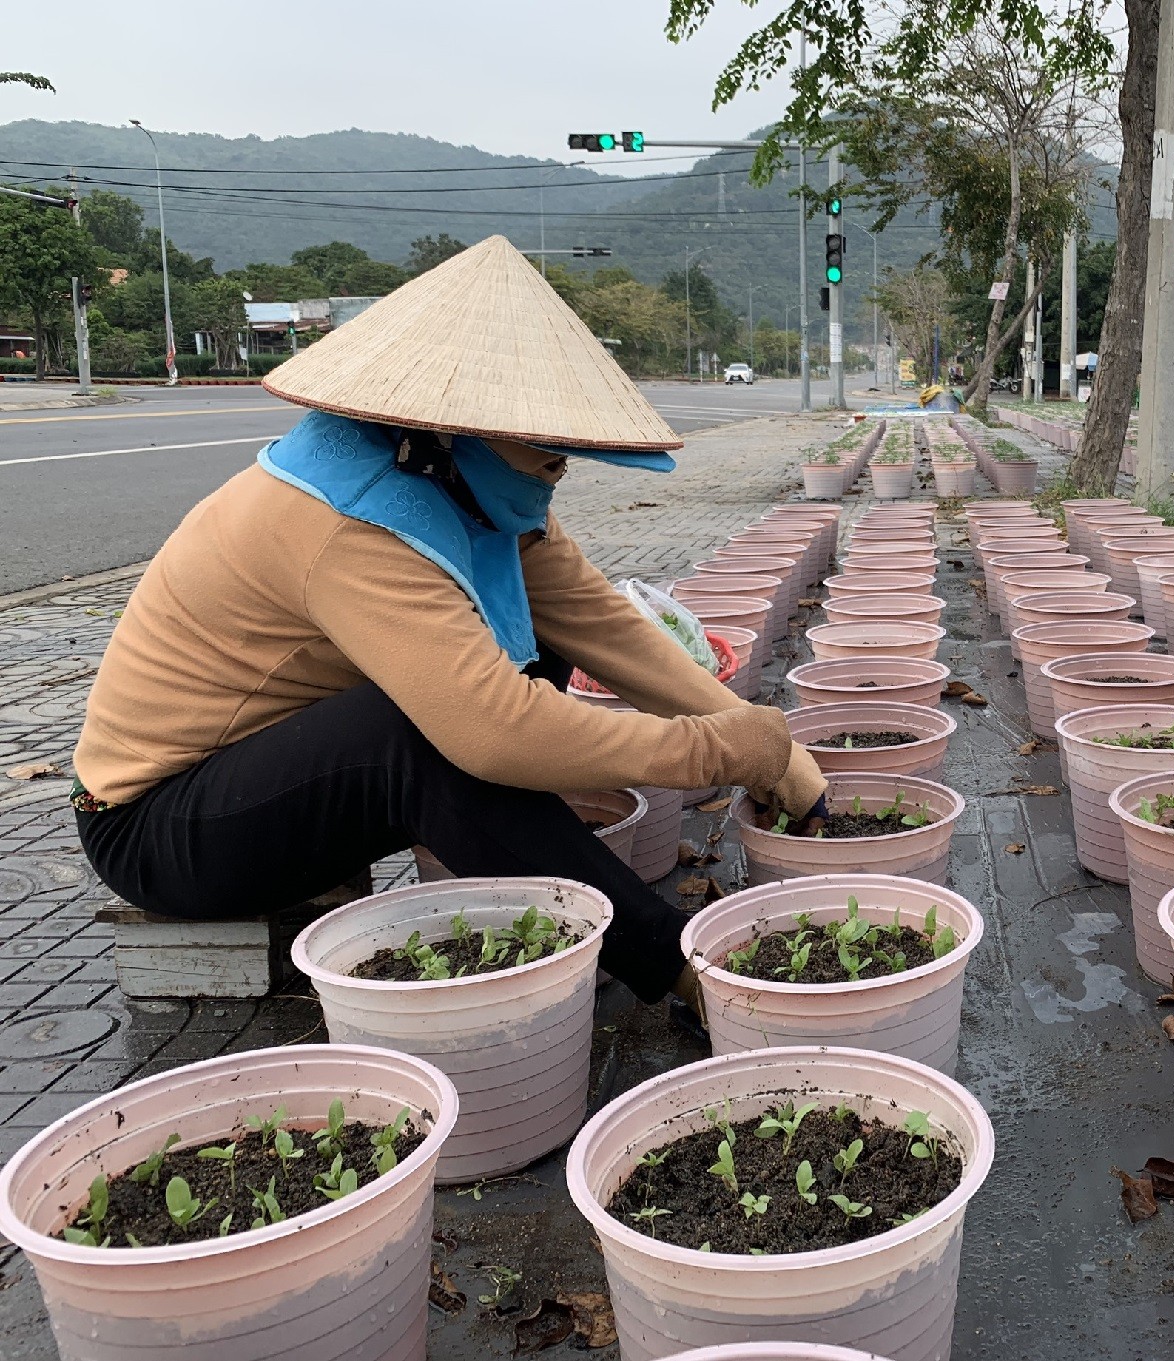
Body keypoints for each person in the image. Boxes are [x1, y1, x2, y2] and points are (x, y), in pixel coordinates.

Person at [72, 236, 827, 1006]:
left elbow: (601, 625)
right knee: (425, 742)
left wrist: (772, 748)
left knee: (530, 666)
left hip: (270, 764)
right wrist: (716, 752)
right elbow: (495, 733)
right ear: (449, 426)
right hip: (160, 825)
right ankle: (676, 970)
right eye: (543, 446)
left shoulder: (464, 484)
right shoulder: (350, 520)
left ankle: (534, 848)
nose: (560, 466)